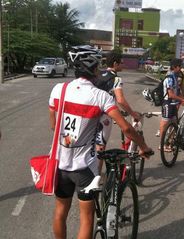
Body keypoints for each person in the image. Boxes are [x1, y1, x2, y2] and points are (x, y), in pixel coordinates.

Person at [49, 45, 152, 239]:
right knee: (86, 219)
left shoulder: (58, 90)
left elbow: (54, 127)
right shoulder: (100, 96)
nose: (99, 69)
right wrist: (144, 147)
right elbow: (127, 128)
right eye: (98, 65)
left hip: (60, 165)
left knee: (60, 212)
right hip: (84, 168)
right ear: (92, 67)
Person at [94, 51, 141, 153]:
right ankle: (97, 169)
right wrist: (133, 114)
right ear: (115, 64)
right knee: (100, 148)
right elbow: (120, 100)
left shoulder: (98, 74)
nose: (123, 65)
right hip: (104, 116)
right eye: (122, 63)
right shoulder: (116, 79)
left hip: (91, 112)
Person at [159, 58, 184, 150]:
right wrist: (182, 100)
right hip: (167, 103)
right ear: (174, 67)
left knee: (175, 124)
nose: (181, 68)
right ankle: (162, 144)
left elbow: (178, 91)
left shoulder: (176, 76)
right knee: (165, 124)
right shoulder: (169, 78)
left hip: (174, 103)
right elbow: (171, 94)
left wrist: (183, 99)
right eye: (179, 66)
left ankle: (170, 142)